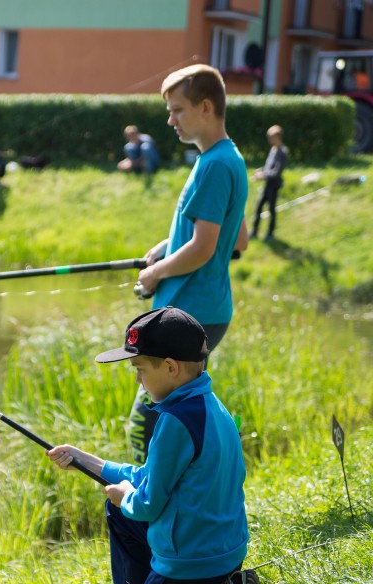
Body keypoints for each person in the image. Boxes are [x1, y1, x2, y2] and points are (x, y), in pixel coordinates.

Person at [47, 307, 257, 584]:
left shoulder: (174, 422)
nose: (137, 380)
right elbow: (153, 476)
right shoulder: (210, 405)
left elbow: (146, 504)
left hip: (189, 564)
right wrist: (91, 462)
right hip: (224, 552)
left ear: (171, 368)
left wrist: (122, 495)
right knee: (121, 508)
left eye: (140, 369)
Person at [129, 63, 249, 463]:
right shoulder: (226, 158)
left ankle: (154, 508)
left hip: (190, 308)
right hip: (203, 307)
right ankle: (175, 501)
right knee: (170, 416)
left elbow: (203, 249)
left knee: (149, 420)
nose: (170, 119)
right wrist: (167, 246)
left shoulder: (214, 164)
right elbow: (238, 239)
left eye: (177, 109)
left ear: (206, 107)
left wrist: (154, 273)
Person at [251, 125, 288, 241]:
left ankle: (270, 234)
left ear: (277, 136)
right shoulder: (273, 149)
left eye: (271, 137)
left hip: (273, 185)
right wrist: (261, 170)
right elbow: (269, 167)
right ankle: (254, 232)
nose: (269, 139)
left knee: (271, 209)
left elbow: (277, 171)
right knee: (258, 207)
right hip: (267, 184)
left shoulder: (282, 151)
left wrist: (263, 175)